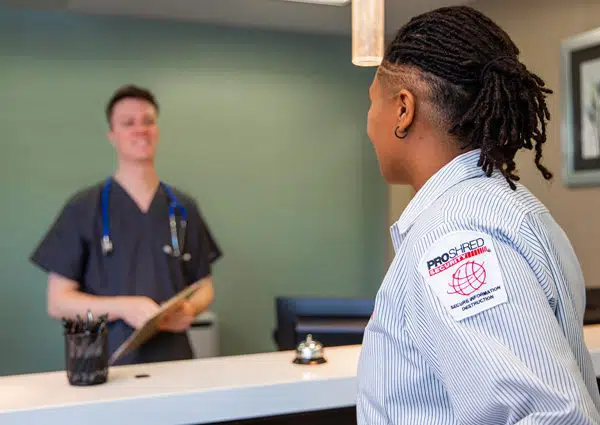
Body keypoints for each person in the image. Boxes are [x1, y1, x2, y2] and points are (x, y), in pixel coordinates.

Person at [357, 5, 600, 425]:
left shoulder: (454, 236)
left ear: (402, 109)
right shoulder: (507, 207)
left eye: (370, 103)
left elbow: (552, 416)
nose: (367, 122)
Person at [30, 84, 222, 365]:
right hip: (106, 364)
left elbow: (204, 286)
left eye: (148, 121)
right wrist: (122, 307)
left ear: (157, 130)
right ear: (112, 135)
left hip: (176, 363)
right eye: (128, 123)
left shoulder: (182, 207)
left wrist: (190, 308)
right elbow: (58, 303)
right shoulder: (83, 208)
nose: (140, 129)